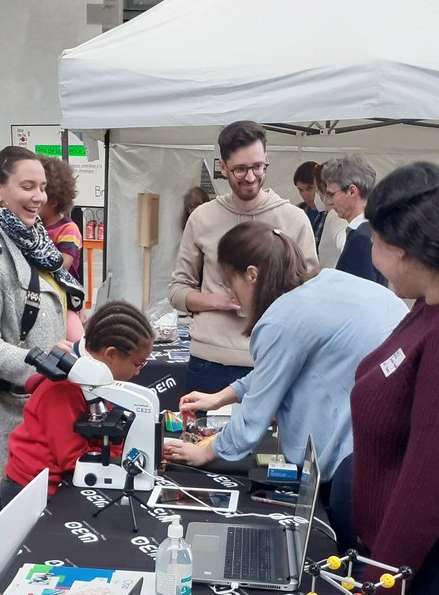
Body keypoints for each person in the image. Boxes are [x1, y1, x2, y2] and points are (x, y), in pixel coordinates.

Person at [164, 223, 405, 544]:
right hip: (395, 447)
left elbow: (253, 420)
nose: (229, 294)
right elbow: (281, 368)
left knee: (353, 562)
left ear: (251, 274)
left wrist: (203, 453)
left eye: (229, 281)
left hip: (357, 463)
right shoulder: (327, 282)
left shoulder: (281, 317)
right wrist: (221, 397)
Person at [0, 145, 85, 595]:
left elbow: (48, 309)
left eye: (42, 187)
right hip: (4, 403)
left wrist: (70, 349)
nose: (37, 196)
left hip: (34, 397)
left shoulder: (29, 241)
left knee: (14, 496)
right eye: (27, 186)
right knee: (10, 495)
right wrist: (41, 365)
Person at [350, 161, 439, 595]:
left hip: (421, 583)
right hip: (397, 570)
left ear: (399, 247)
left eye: (374, 241)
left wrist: (381, 588)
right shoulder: (421, 311)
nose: (369, 254)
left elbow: (425, 480)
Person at [169, 121, 318, 394]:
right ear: (223, 167)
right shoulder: (202, 218)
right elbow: (178, 291)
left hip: (272, 361)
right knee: (203, 437)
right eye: (240, 169)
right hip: (209, 362)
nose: (250, 177)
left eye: (258, 167)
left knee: (271, 439)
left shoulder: (293, 219)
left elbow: (311, 294)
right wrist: (221, 301)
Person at [1, 300, 154, 502]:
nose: (138, 371)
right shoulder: (63, 389)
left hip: (58, 481)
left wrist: (135, 451)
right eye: (138, 363)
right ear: (111, 354)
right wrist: (127, 461)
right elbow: (73, 458)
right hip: (32, 489)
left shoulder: (94, 381)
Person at [321, 154, 387, 285]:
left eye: (331, 194)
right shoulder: (372, 229)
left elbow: (360, 295)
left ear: (352, 191)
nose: (328, 201)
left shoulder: (361, 237)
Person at [40, 155, 83, 284]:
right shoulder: (33, 225)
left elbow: (62, 267)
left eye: (40, 191)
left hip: (63, 297)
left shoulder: (68, 230)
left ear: (53, 201)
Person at [293, 160, 327, 252]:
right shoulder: (296, 211)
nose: (305, 195)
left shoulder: (333, 212)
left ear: (320, 186)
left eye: (310, 188)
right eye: (300, 190)